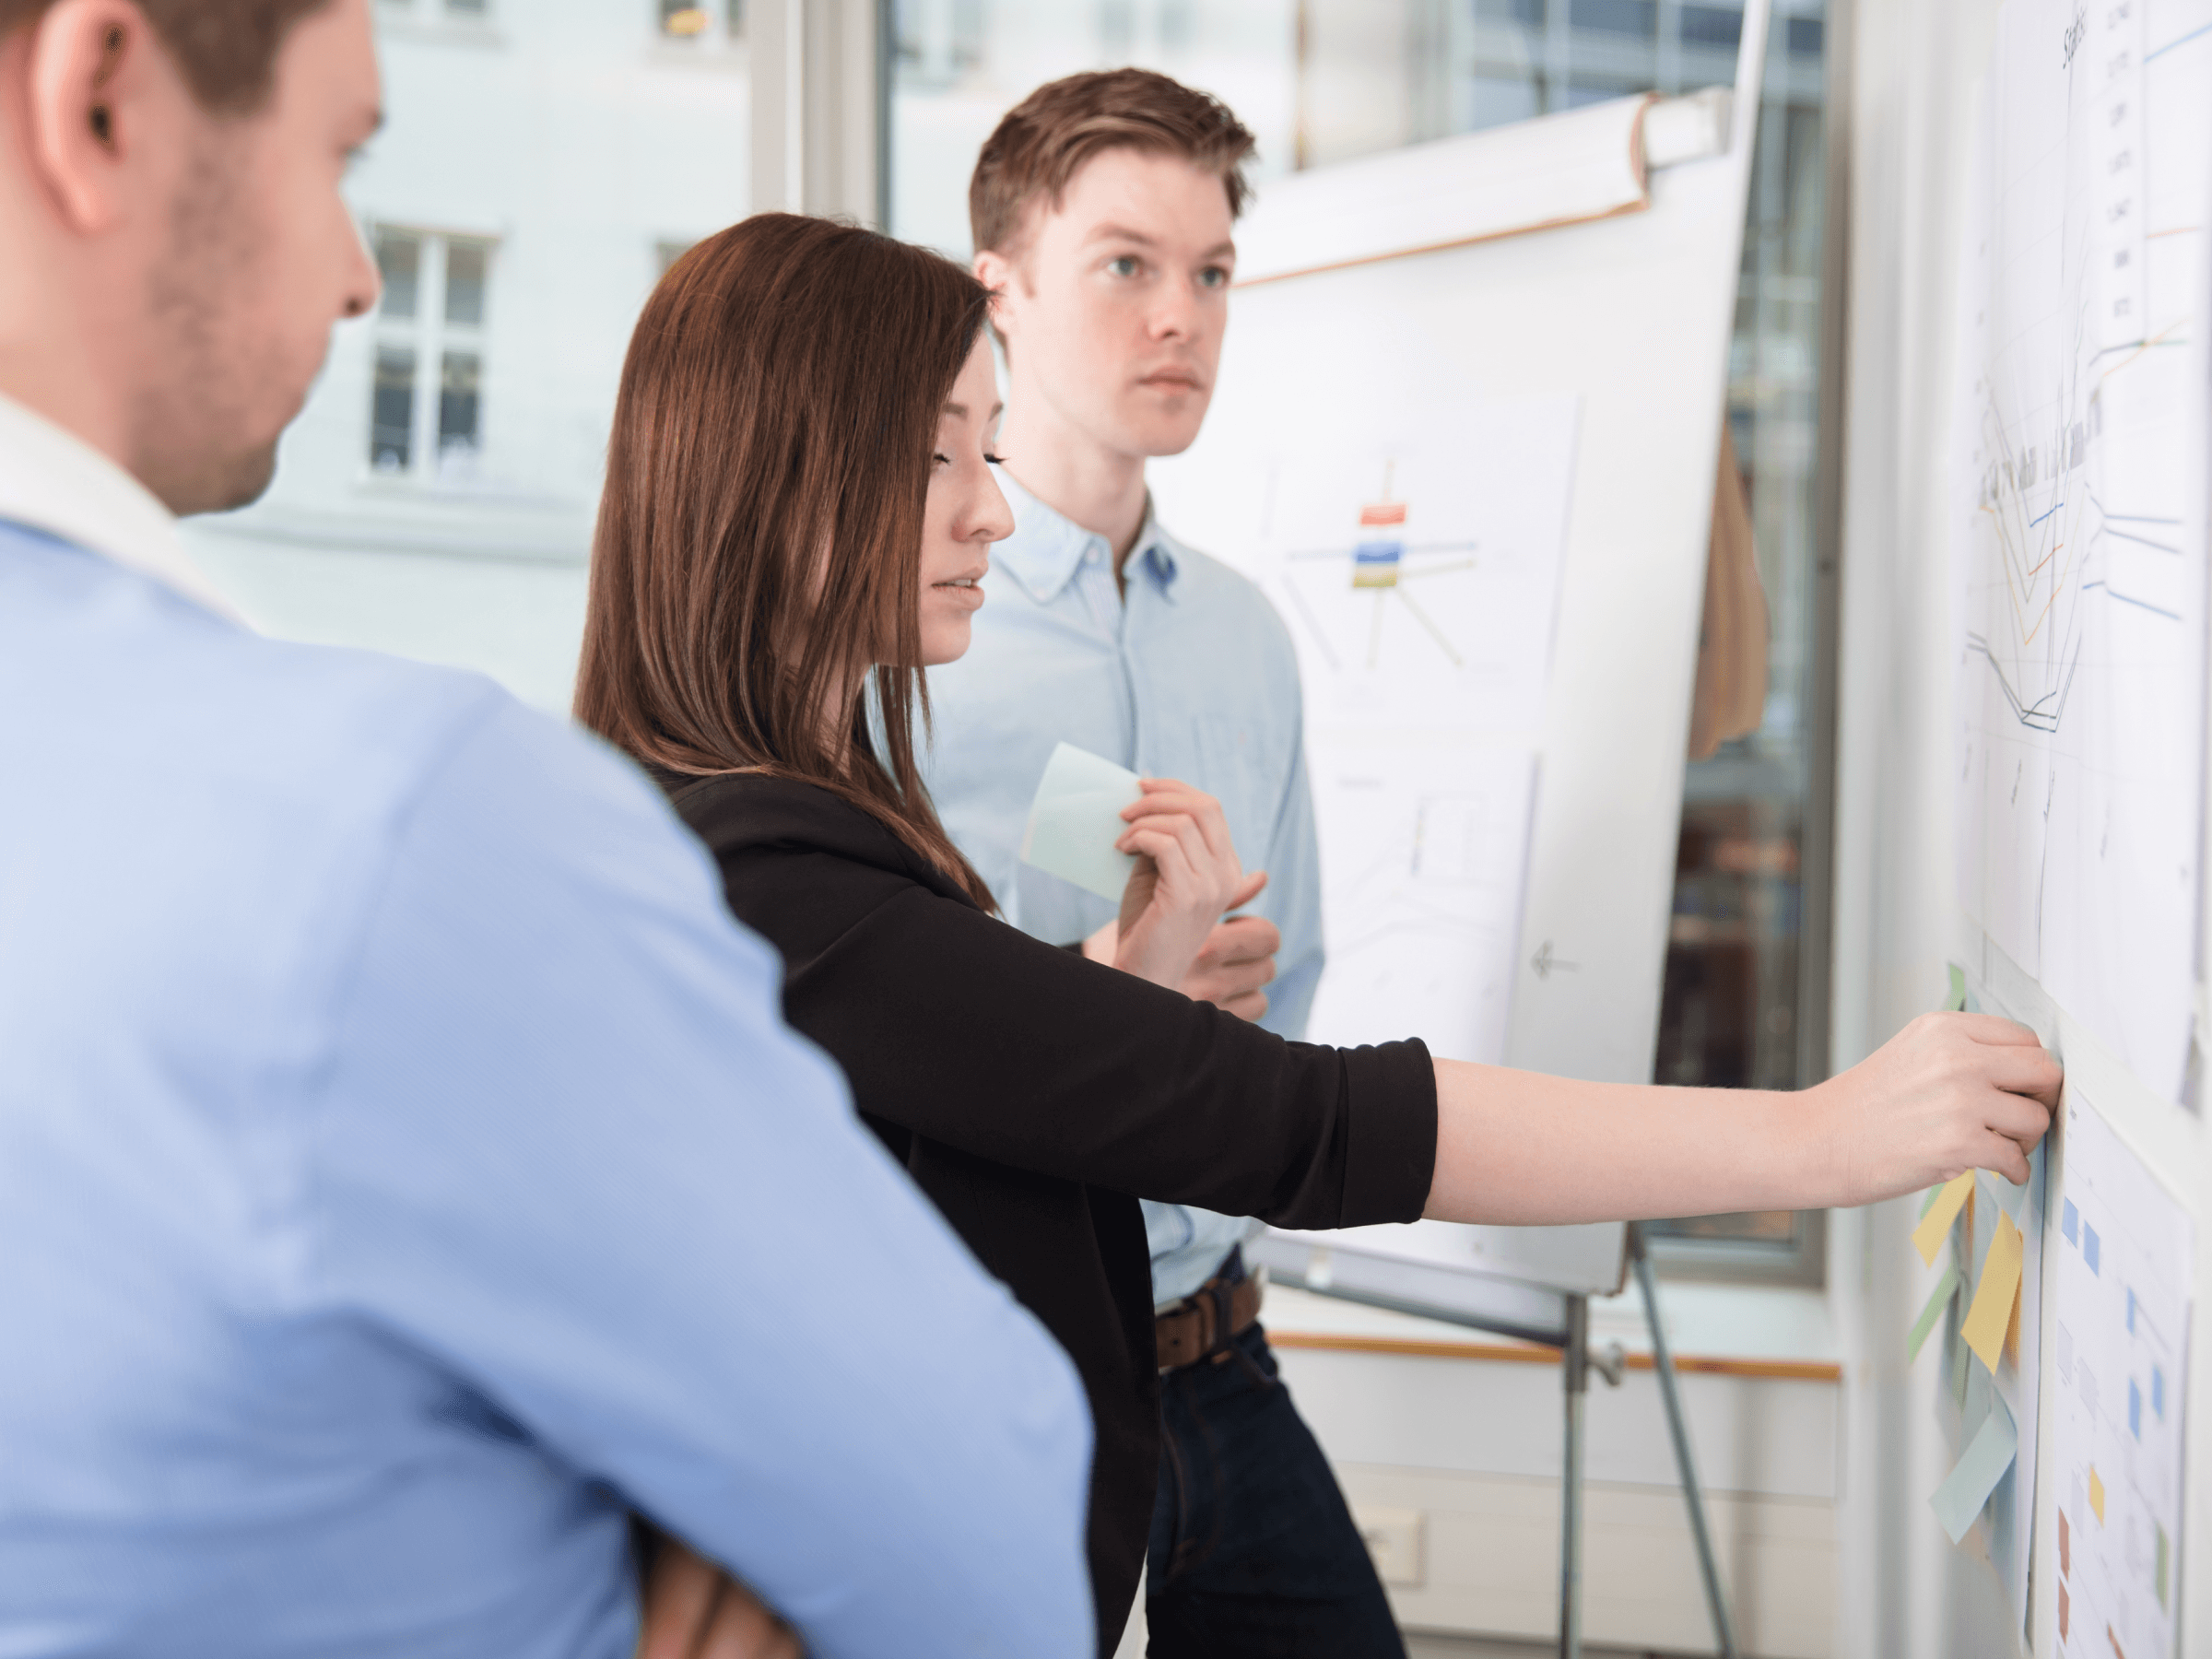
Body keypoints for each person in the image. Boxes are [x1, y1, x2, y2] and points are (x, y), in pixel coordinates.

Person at [573, 209, 2062, 1654]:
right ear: (775, 477)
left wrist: (1119, 995)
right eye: (934, 454)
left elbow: (927, 1117)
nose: (989, 504)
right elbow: (1305, 1123)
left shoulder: (749, 822)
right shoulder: (767, 870)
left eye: (989, 444)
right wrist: (1822, 1137)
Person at [0, 4, 1095, 1656]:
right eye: (339, 154)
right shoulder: (400, 827)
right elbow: (1002, 1550)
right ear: (96, 102)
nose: (366, 275)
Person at [915, 68, 1384, 1653]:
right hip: (989, 1373)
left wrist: (1218, 1024)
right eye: (1126, 264)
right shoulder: (905, 636)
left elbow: (1290, 975)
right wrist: (1117, 998)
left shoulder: (1250, 640)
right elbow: (855, 1017)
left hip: (1219, 1360)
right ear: (1003, 289)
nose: (1179, 316)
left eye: (1211, 273)